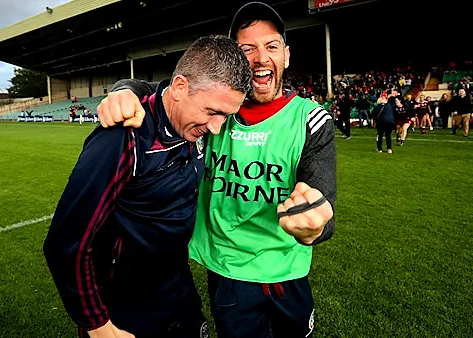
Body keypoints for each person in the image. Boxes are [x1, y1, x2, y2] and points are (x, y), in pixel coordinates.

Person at [96, 2, 336, 337]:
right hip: (228, 271)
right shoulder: (213, 111)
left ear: (286, 55)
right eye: (247, 49)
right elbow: (163, 91)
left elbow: (324, 205)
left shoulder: (310, 119)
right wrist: (124, 90)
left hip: (287, 270)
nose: (260, 58)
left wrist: (316, 226)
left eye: (271, 47)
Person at [43, 35, 252, 338]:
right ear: (180, 88)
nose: (217, 127)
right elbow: (67, 243)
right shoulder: (123, 137)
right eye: (212, 112)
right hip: (125, 306)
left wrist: (125, 87)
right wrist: (99, 328)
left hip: (178, 290)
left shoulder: (194, 123)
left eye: (226, 116)